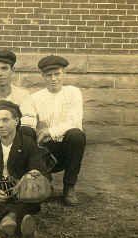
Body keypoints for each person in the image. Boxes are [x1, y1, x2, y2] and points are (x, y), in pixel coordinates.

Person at [0, 101, 49, 238]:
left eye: (5, 120)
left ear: (16, 121)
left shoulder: (27, 143)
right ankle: (20, 225)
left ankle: (8, 222)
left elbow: (39, 169)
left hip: (20, 190)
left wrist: (33, 175)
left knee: (27, 200)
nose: (0, 125)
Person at [28, 55, 86, 206]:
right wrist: (36, 131)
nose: (53, 78)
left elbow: (75, 121)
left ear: (64, 74)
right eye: (49, 75)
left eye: (57, 74)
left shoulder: (73, 93)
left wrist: (48, 132)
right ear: (43, 76)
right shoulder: (35, 98)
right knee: (33, 143)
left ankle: (69, 188)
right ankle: (46, 185)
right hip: (46, 149)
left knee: (76, 135)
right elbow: (31, 122)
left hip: (67, 148)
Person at [0, 49, 35, 139]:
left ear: (12, 70)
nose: (0, 73)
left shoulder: (23, 95)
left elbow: (29, 123)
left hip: (16, 143)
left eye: (4, 68)